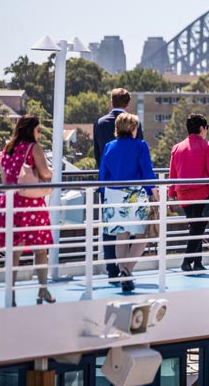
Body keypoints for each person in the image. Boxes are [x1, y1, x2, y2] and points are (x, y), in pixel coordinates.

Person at [0, 114, 56, 306]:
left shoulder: (7, 149)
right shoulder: (32, 148)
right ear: (31, 130)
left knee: (14, 251)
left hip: (11, 203)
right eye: (38, 130)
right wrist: (50, 171)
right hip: (31, 204)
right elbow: (45, 173)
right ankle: (42, 290)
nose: (39, 134)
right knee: (40, 249)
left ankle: (10, 295)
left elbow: (5, 180)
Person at [99, 113, 159, 293]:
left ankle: (123, 272)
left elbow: (103, 175)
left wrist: (106, 195)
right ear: (133, 129)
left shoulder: (109, 146)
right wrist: (154, 193)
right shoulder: (140, 146)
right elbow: (147, 171)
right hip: (134, 195)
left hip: (113, 195)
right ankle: (126, 271)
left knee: (121, 236)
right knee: (143, 235)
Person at [92, 88, 144, 282]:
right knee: (129, 228)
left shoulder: (99, 123)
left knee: (109, 227)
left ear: (111, 102)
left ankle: (111, 267)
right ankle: (126, 268)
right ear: (128, 103)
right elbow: (139, 154)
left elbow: (98, 154)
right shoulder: (134, 123)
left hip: (108, 183)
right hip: (132, 187)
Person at [168, 113, 209, 274]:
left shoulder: (177, 148)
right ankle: (187, 261)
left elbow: (173, 174)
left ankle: (197, 263)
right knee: (198, 228)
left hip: (183, 194)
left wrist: (171, 194)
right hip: (201, 193)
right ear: (201, 128)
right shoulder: (208, 146)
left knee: (195, 227)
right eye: (206, 128)